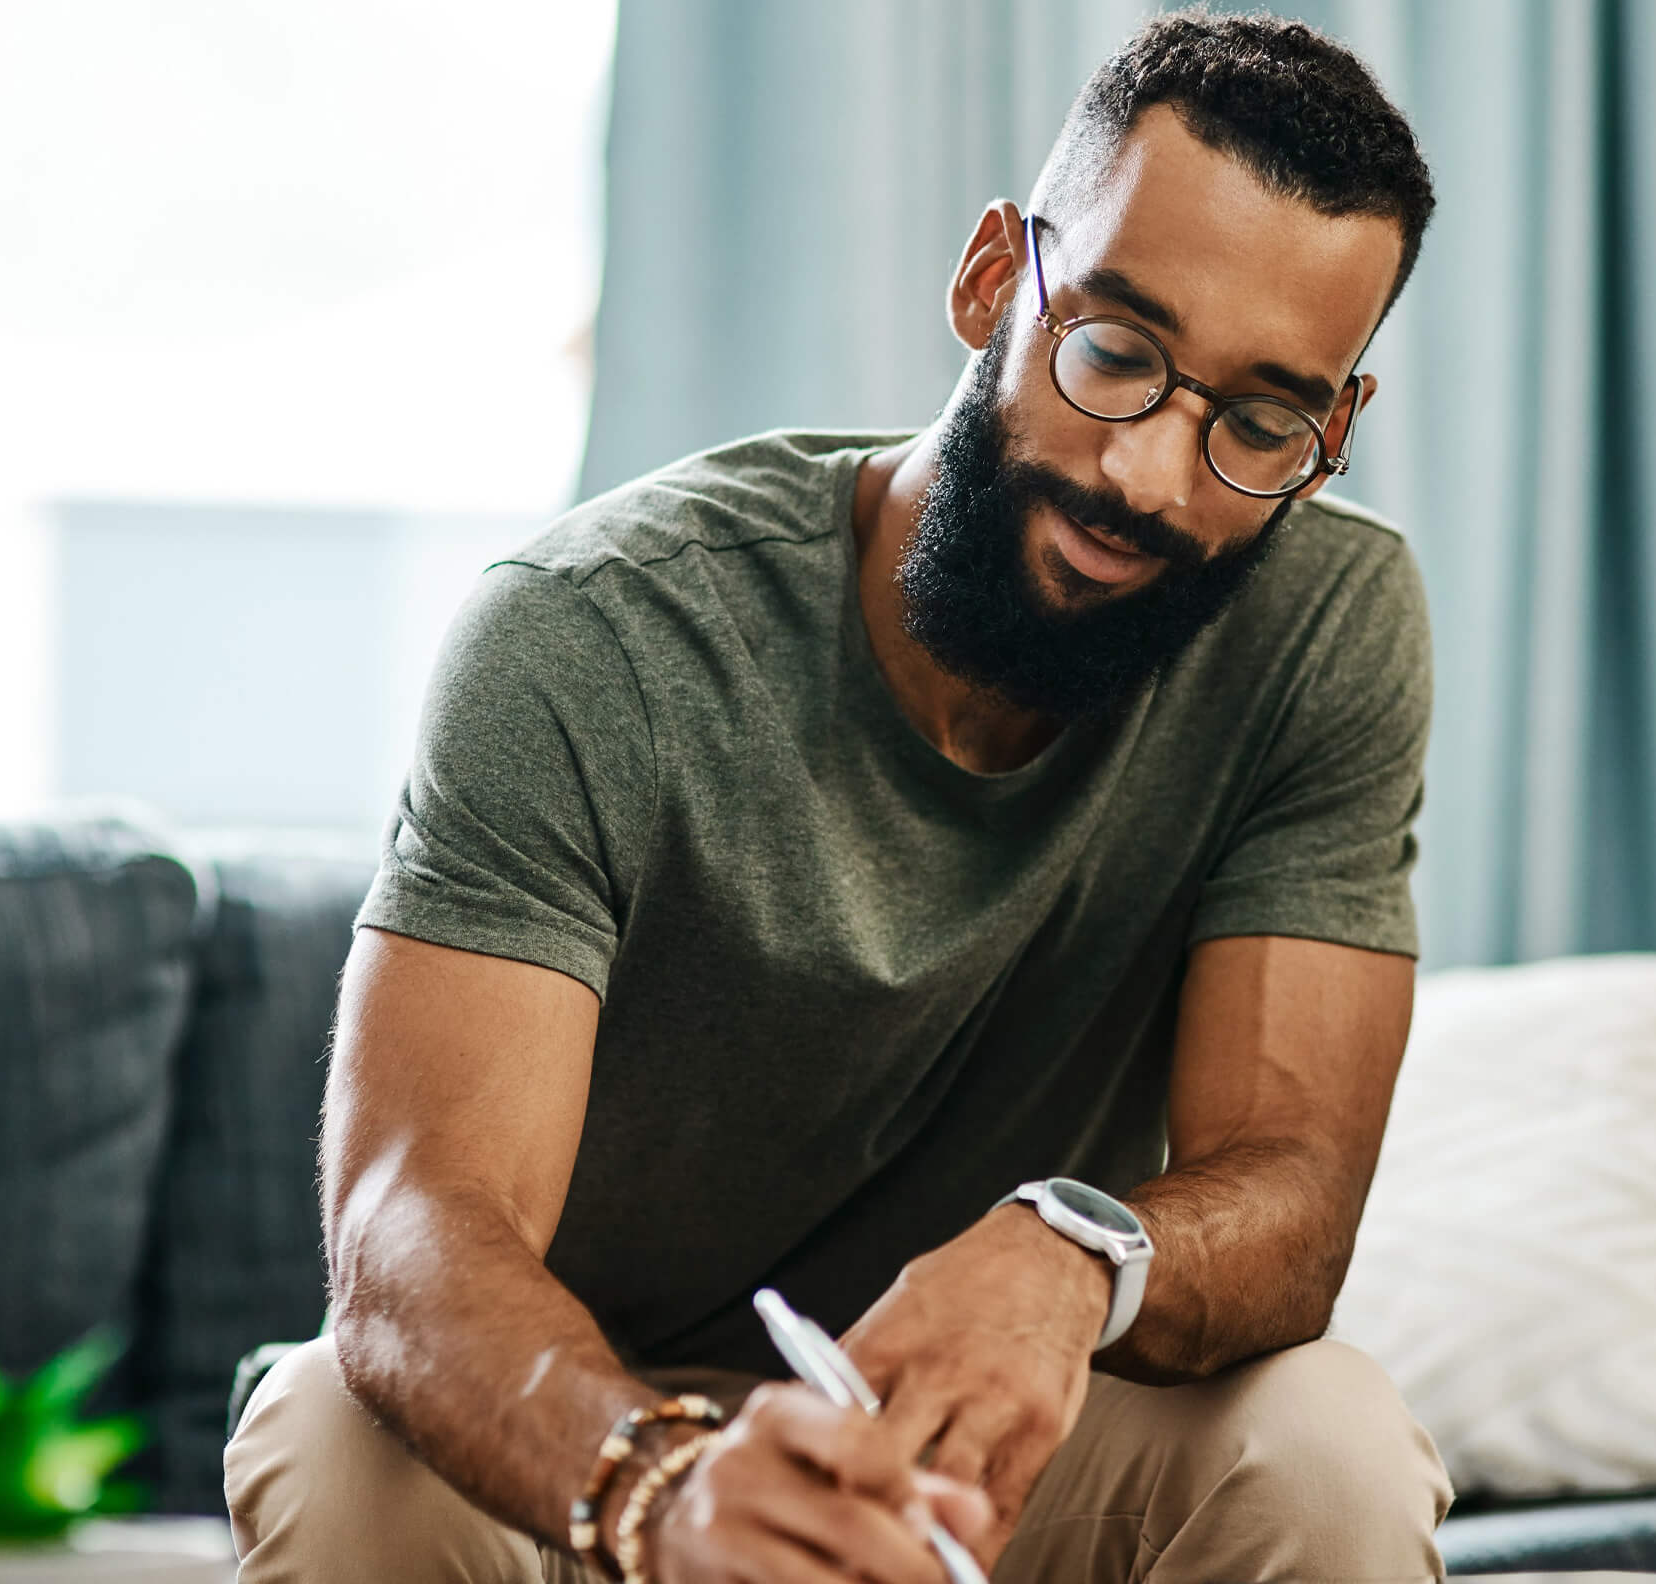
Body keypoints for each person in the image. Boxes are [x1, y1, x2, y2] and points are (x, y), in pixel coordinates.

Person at [226, 10, 1451, 1582]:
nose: (1151, 476)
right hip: (595, 1432)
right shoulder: (593, 631)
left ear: (1331, 433)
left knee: (1327, 1443)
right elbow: (414, 1229)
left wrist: (1077, 1252)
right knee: (337, 1439)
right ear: (995, 281)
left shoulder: (1326, 627)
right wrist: (664, 1494)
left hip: (990, 1445)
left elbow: (1292, 1192)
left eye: (1259, 423)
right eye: (1115, 354)